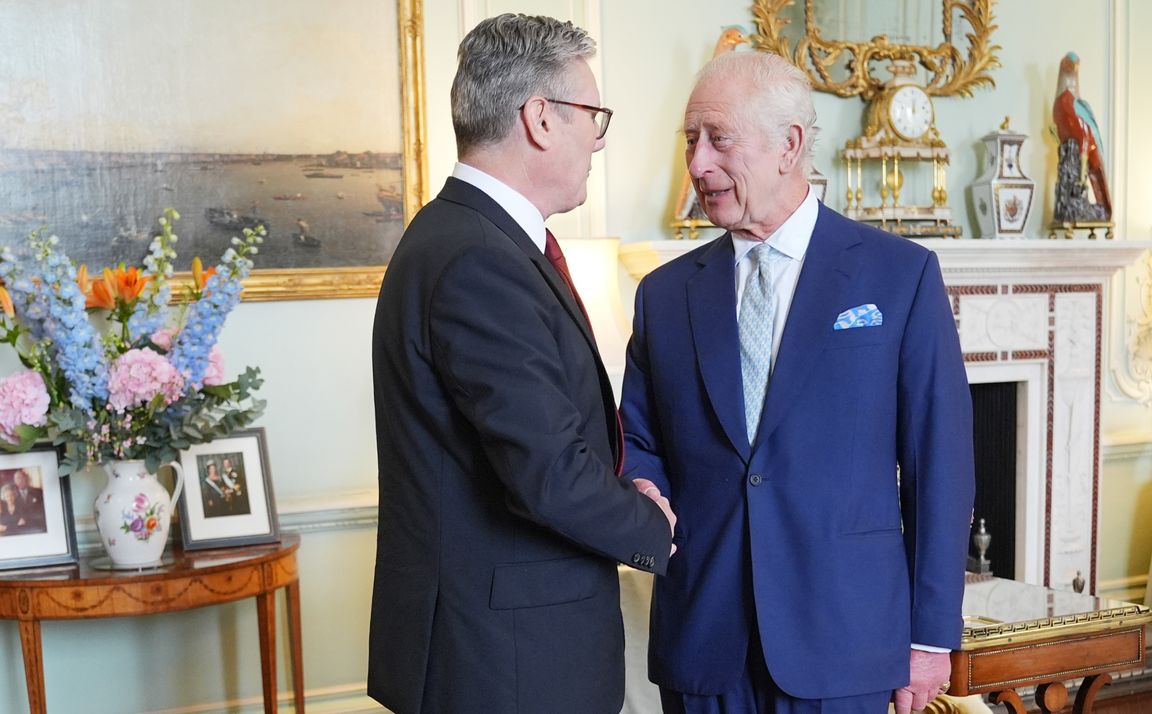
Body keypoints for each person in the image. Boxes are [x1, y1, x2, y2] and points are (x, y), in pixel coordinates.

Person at [620, 51, 975, 714]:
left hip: (848, 642)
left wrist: (931, 637)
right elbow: (636, 437)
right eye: (690, 142)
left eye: (717, 139)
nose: (697, 164)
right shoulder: (664, 295)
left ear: (789, 145)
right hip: (704, 641)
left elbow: (941, 467)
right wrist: (643, 488)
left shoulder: (899, 277)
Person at [368, 14, 676, 714]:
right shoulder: (480, 259)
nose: (597, 142)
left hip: (499, 648)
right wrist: (653, 523)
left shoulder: (466, 237)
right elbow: (546, 473)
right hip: (505, 663)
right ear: (539, 117)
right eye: (592, 117)